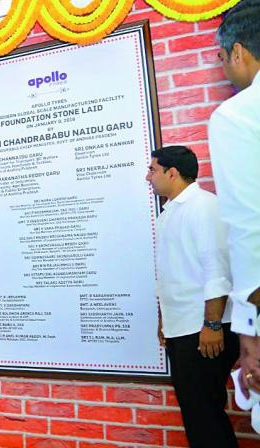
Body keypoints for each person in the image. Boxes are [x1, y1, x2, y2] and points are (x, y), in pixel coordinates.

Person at [147, 146, 239, 447]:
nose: (148, 177)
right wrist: (165, 319)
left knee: (204, 414)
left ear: (172, 173)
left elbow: (217, 271)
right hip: (182, 329)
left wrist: (213, 326)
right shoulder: (170, 212)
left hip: (202, 331)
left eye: (153, 170)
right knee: (197, 413)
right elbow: (174, 272)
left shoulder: (203, 206)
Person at [209, 1, 260, 397]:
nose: (226, 68)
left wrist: (248, 329)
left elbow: (248, 226)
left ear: (239, 52)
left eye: (224, 58)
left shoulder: (238, 114)